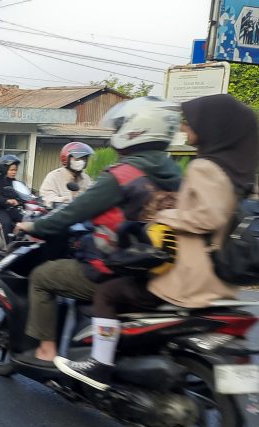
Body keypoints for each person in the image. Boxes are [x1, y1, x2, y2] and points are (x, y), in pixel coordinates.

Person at [58, 94, 259, 390]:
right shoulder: (239, 172)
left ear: (212, 128)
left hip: (189, 276)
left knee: (108, 293)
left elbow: (207, 216)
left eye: (191, 123)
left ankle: (99, 364)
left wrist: (164, 218)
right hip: (218, 278)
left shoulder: (205, 167)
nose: (185, 128)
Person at [12, 97, 182, 367]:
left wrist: (33, 225)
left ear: (135, 130)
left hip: (118, 265)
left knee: (43, 276)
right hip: (161, 268)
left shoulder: (121, 175)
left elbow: (72, 213)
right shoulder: (175, 173)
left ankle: (45, 351)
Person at [40, 142, 94, 207]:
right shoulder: (53, 176)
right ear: (66, 158)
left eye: (84, 159)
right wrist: (66, 201)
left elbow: (93, 197)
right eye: (77, 158)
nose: (81, 161)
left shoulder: (86, 179)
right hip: (59, 215)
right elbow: (47, 199)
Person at [0, 155, 23, 237]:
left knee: (24, 220)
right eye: (12, 170)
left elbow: (20, 194)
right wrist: (8, 200)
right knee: (7, 223)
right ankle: (7, 246)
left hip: (9, 208)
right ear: (5, 169)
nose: (14, 172)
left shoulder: (14, 182)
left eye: (15, 170)